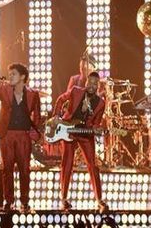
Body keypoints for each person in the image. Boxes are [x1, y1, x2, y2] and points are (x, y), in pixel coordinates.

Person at [0, 63, 41, 213]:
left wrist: (35, 133)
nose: (10, 76)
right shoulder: (4, 89)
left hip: (23, 135)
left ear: (22, 76)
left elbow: (37, 115)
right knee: (7, 168)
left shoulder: (33, 94)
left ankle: (25, 200)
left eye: (13, 74)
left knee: (25, 169)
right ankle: (8, 200)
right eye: (9, 74)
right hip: (7, 134)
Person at [53, 71, 108, 214]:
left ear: (98, 86)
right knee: (67, 163)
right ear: (86, 82)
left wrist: (96, 129)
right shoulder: (76, 91)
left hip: (85, 133)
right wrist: (56, 116)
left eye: (95, 84)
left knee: (93, 165)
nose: (92, 86)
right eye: (90, 82)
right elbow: (60, 99)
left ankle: (99, 199)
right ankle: (64, 198)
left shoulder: (101, 103)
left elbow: (96, 123)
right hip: (69, 130)